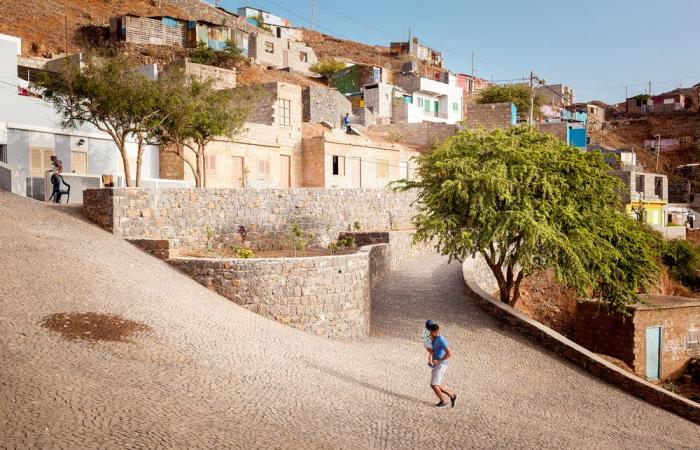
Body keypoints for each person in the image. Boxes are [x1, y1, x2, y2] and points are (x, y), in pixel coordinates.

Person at [427, 322, 457, 408]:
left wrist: (439, 361)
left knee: (433, 384)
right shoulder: (434, 339)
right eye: (430, 332)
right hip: (436, 364)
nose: (430, 334)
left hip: (441, 365)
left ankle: (443, 401)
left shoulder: (441, 339)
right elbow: (434, 350)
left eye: (432, 332)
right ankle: (452, 396)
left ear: (436, 332)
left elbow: (449, 353)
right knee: (437, 384)